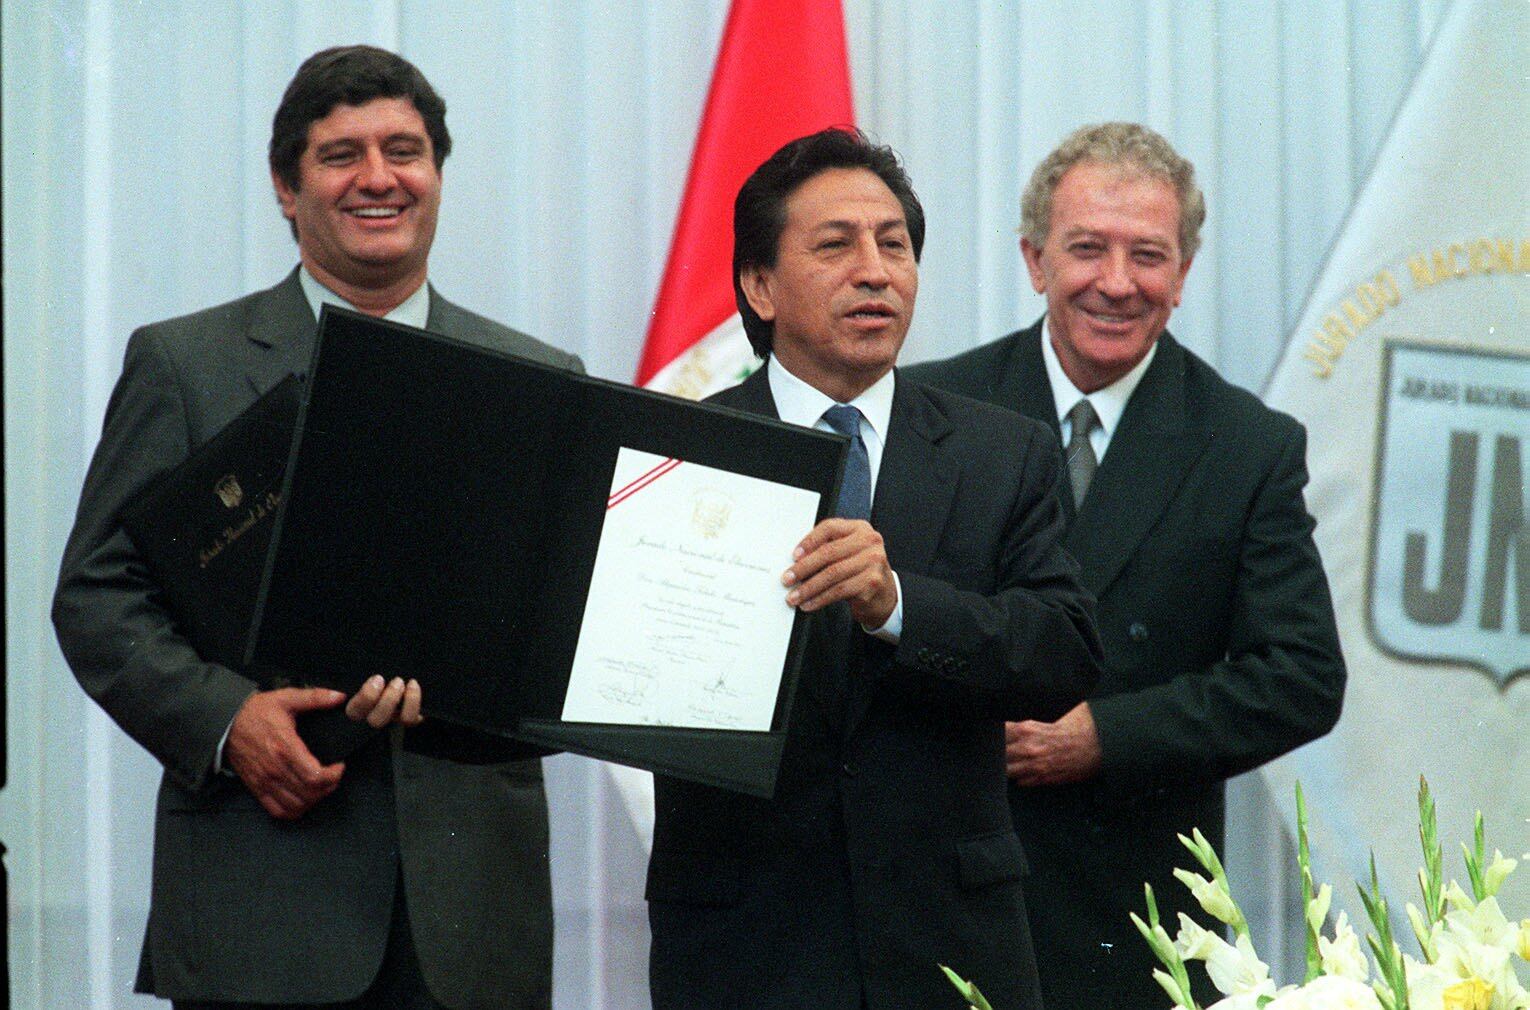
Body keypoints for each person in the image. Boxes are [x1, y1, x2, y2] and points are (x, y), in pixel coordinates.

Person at [52, 45, 581, 1009]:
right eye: (341, 155)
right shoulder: (185, 364)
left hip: (471, 927)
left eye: (404, 150)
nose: (378, 178)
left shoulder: (539, 380)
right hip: (263, 896)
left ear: (437, 176)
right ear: (287, 188)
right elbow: (96, 596)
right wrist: (226, 720)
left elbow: (570, 612)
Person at [645, 127, 1103, 1010]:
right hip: (744, 947)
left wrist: (898, 605)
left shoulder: (1001, 451)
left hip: (949, 944)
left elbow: (1064, 651)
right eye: (835, 245)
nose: (875, 270)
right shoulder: (681, 452)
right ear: (759, 284)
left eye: (894, 245)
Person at [906, 121, 1346, 1008]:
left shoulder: (1247, 445)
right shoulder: (934, 409)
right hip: (946, 896)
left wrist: (1103, 737)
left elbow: (1301, 678)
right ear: (1034, 260)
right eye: (1086, 249)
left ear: (1182, 274)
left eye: (1147, 254)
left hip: (1140, 919)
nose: (1116, 283)